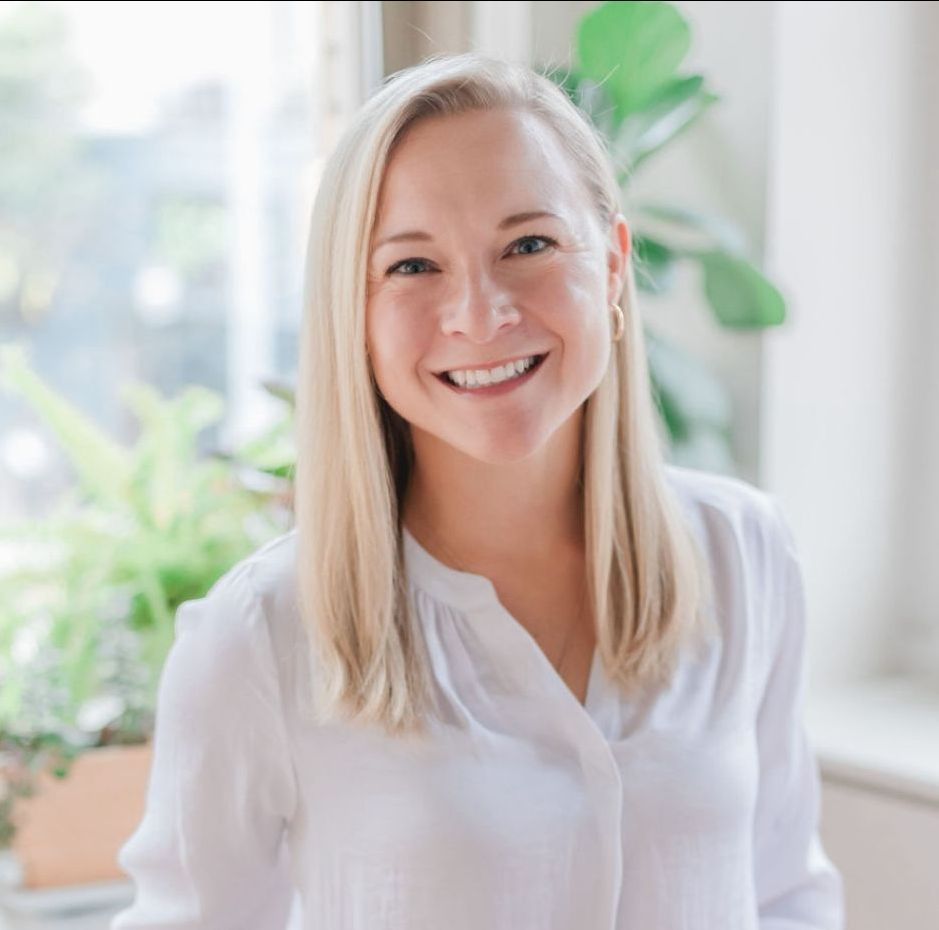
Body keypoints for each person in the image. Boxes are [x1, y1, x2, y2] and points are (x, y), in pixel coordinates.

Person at [110, 52, 845, 929]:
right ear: (355, 313)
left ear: (611, 267)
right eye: (412, 266)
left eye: (527, 244)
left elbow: (785, 895)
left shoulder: (743, 552)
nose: (480, 313)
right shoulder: (261, 635)